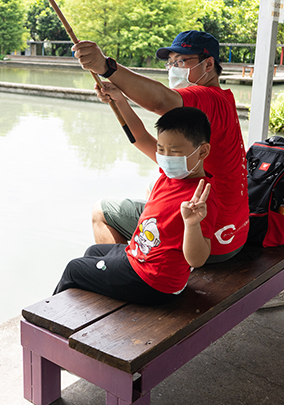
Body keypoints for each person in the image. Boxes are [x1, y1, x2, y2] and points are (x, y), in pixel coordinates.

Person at [75, 30, 249, 262]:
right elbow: (143, 141)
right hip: (233, 235)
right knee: (154, 186)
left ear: (208, 65)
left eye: (181, 61)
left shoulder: (207, 97)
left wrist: (106, 67)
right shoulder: (221, 102)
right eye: (171, 63)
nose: (174, 68)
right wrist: (120, 101)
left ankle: (131, 271)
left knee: (101, 211)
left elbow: (161, 100)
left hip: (208, 245)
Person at [54, 105, 214, 305]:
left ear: (202, 151)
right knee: (93, 252)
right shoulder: (171, 174)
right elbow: (139, 135)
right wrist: (117, 100)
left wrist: (191, 224)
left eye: (173, 151)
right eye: (161, 150)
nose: (165, 157)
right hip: (139, 258)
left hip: (153, 281)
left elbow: (197, 261)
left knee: (73, 269)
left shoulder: (200, 200)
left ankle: (45, 322)